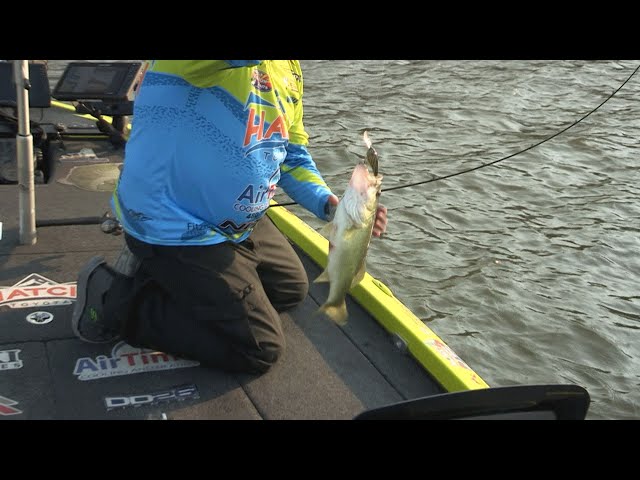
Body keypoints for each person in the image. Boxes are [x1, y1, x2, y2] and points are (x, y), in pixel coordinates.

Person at [71, 60, 387, 374]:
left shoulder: (289, 69)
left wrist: (333, 206)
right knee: (260, 348)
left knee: (289, 289)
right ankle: (118, 306)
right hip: (173, 222)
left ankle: (177, 281)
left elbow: (291, 156)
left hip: (236, 223)